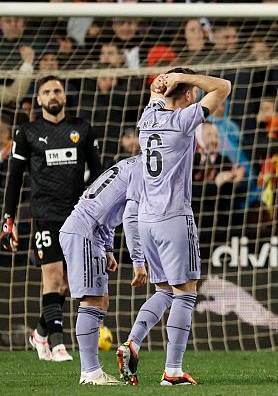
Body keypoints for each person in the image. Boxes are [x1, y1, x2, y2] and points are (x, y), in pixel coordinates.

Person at [126, 68, 231, 385]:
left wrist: (163, 81)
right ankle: (173, 371)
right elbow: (223, 87)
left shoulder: (147, 120)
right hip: (173, 217)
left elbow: (156, 96)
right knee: (185, 293)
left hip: (146, 220)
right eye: (193, 92)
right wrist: (184, 77)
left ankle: (133, 340)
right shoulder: (183, 122)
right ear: (187, 95)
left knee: (163, 290)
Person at [1, 75, 103, 362]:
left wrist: (102, 213)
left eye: (57, 90)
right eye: (46, 91)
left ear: (64, 95)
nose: (52, 95)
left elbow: (98, 176)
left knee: (69, 283)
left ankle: (39, 332)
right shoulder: (27, 132)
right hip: (44, 215)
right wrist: (7, 218)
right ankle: (58, 344)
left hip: (78, 216)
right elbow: (15, 179)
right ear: (39, 99)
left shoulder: (82, 129)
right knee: (52, 276)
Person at [59, 155, 145, 385]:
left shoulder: (128, 163)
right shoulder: (143, 169)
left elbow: (107, 206)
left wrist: (107, 248)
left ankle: (92, 371)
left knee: (101, 299)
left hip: (90, 232)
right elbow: (129, 217)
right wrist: (138, 260)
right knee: (92, 301)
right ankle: (91, 373)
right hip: (84, 231)